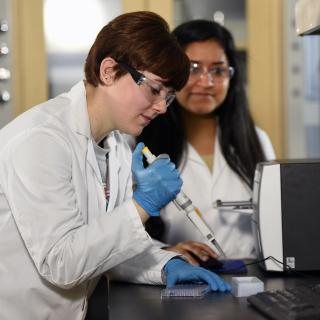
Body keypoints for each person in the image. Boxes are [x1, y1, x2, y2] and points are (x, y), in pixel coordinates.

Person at [0, 12, 230, 320]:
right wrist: (142, 205)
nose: (162, 107)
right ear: (109, 71)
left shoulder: (119, 144)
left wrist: (166, 264)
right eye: (154, 89)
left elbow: (106, 248)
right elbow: (62, 262)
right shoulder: (41, 139)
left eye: (170, 97)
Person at [137, 19, 276, 265]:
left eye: (218, 70)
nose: (206, 82)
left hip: (252, 282)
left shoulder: (257, 141)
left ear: (231, 75)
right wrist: (166, 252)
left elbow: (277, 222)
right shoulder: (140, 144)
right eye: (192, 68)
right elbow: (124, 231)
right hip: (178, 285)